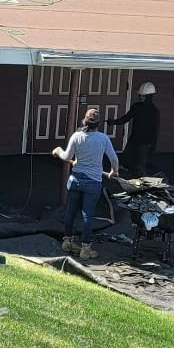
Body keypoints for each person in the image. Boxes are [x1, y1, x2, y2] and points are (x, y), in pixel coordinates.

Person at [54, 108, 119, 259]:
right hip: (93, 182)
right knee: (87, 215)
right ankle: (85, 249)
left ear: (84, 120)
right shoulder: (103, 139)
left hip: (75, 179)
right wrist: (114, 171)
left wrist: (58, 150)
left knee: (70, 211)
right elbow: (114, 159)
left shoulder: (77, 136)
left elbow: (67, 156)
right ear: (98, 123)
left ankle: (67, 242)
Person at [107, 82, 160, 176]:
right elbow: (126, 118)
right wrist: (113, 122)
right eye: (141, 95)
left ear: (148, 97)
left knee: (139, 166)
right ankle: (123, 173)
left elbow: (155, 130)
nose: (141, 97)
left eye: (143, 96)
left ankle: (142, 185)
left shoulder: (147, 109)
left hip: (143, 142)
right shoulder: (149, 109)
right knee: (128, 160)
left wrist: (113, 122)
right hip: (137, 140)